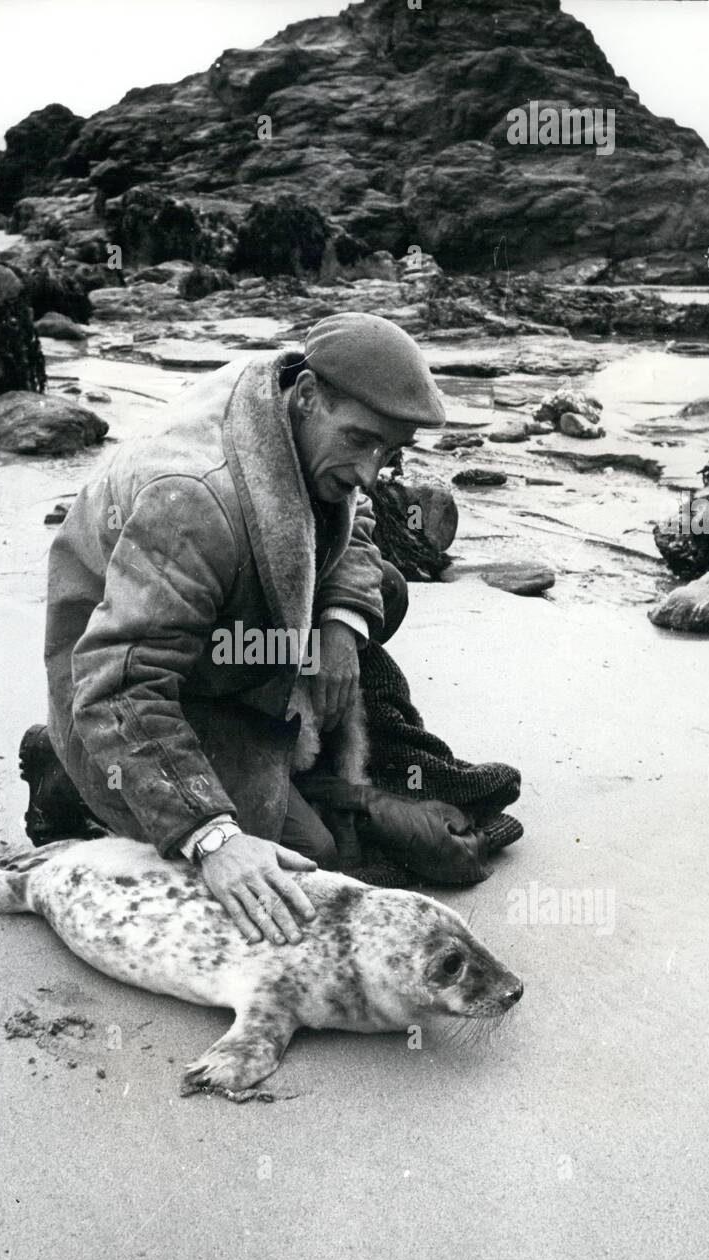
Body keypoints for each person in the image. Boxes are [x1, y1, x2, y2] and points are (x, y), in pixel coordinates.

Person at [32, 311, 446, 946]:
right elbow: (118, 687)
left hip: (219, 642)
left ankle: (268, 743)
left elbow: (348, 518)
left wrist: (337, 627)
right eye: (362, 442)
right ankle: (66, 773)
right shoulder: (194, 502)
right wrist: (212, 835)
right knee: (311, 860)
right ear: (308, 395)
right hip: (113, 687)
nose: (370, 472)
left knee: (383, 590)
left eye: (388, 454)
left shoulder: (292, 410)